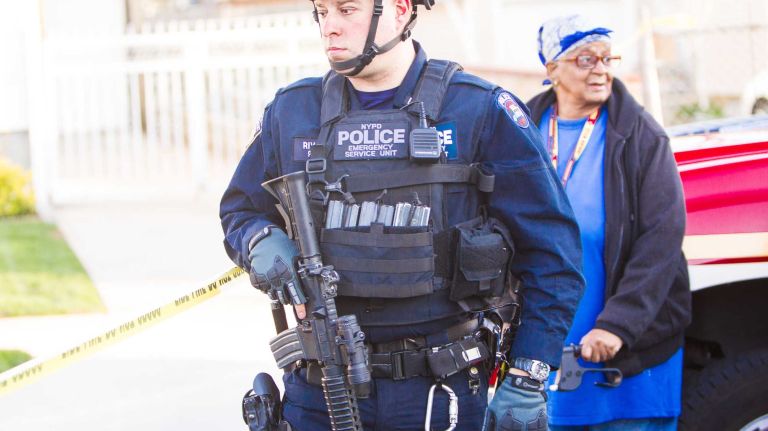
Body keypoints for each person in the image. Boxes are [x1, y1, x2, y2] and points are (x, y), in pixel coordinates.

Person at [220, 1, 584, 429]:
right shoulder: (291, 111)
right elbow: (240, 209)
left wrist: (527, 376)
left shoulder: (478, 111)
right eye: (321, 12)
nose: (330, 28)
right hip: (320, 389)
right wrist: (259, 241)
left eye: (346, 10)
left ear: (399, 8)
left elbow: (553, 256)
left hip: (437, 391)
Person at [524, 14, 692, 430]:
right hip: (545, 348)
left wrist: (619, 325)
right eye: (585, 59)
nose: (601, 69)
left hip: (625, 346)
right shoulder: (521, 130)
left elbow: (662, 238)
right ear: (552, 69)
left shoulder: (640, 135)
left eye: (607, 58)